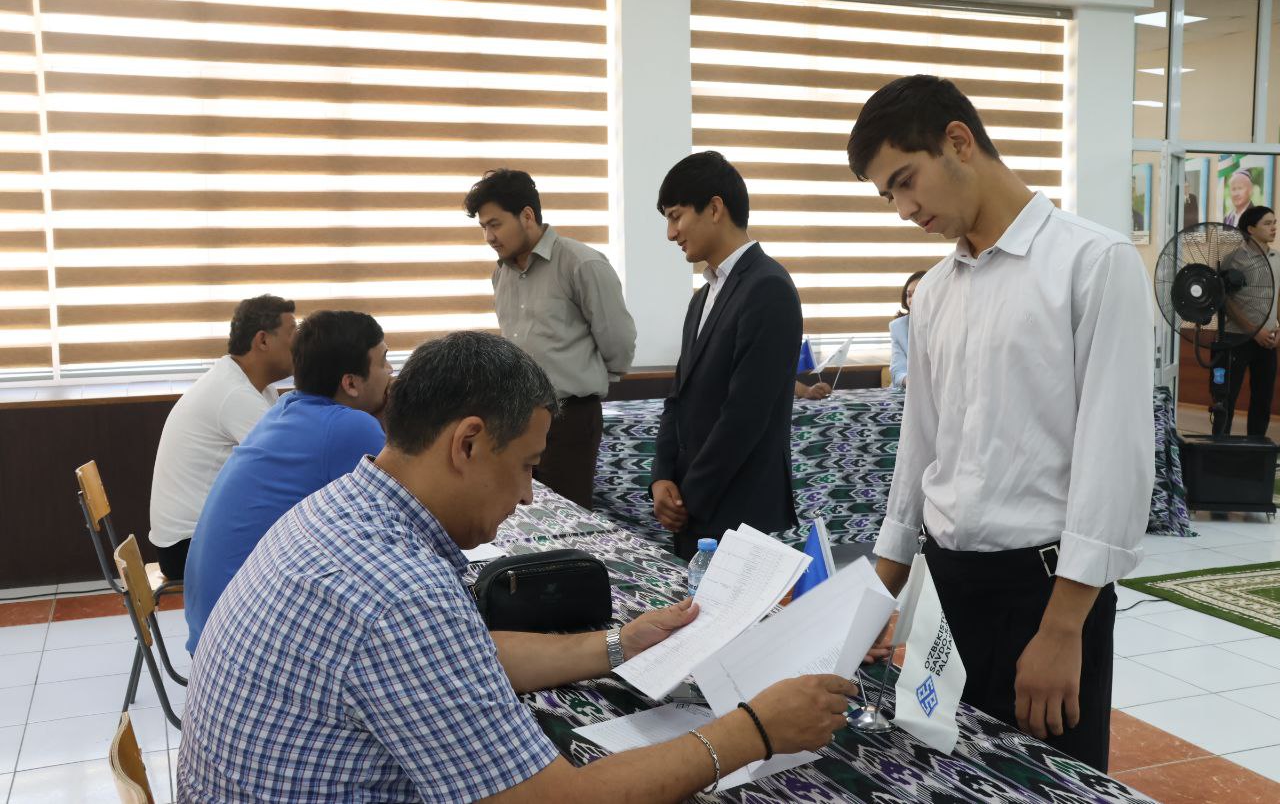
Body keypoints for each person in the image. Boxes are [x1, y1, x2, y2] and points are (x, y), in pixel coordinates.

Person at [177, 331, 856, 802]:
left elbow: (457, 656)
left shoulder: (345, 508)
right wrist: (752, 730)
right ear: (468, 443)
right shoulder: (398, 592)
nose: (530, 495)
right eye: (528, 466)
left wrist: (619, 645)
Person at [849, 75, 1154, 772]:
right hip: (945, 589)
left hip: (1044, 593)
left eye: (905, 181)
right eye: (888, 197)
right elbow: (919, 451)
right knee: (939, 770)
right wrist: (877, 596)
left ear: (958, 141)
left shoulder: (1092, 263)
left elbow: (1114, 457)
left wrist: (1063, 627)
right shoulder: (933, 292)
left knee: (1043, 780)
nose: (904, 209)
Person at [182, 310, 393, 653]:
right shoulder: (349, 427)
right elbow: (411, 513)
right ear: (351, 383)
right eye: (384, 361)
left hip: (212, 631)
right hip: (244, 642)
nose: (391, 372)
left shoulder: (286, 408)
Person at [652, 151, 804, 560]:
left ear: (715, 208)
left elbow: (745, 415)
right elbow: (678, 397)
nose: (671, 233)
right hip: (695, 506)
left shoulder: (768, 287)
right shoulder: (703, 296)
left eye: (676, 216)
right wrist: (662, 478)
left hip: (739, 508)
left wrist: (687, 498)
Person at [466, 169, 637, 509]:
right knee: (523, 517)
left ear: (527, 215)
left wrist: (585, 380)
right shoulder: (501, 274)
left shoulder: (581, 263)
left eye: (495, 224)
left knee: (568, 518)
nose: (489, 236)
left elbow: (619, 342)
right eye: (483, 227)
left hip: (570, 417)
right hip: (518, 416)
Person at [147, 295, 296, 580]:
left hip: (191, 540)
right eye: (293, 334)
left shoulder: (252, 385)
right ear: (263, 340)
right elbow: (287, 465)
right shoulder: (235, 394)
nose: (300, 345)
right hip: (186, 548)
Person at [1214, 205, 1280, 436]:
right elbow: (1224, 300)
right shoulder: (1233, 259)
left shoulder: (1277, 258)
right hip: (1235, 339)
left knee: (1263, 399)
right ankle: (1219, 447)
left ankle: (1256, 448)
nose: (1274, 228)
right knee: (1226, 398)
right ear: (1250, 229)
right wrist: (1253, 331)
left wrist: (1277, 329)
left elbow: (1277, 296)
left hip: (1268, 341)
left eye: (1274, 223)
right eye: (1267, 223)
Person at [888, 271, 926, 389]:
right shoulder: (898, 327)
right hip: (907, 391)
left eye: (918, 293)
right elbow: (898, 371)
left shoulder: (947, 323)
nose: (911, 299)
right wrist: (912, 382)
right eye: (909, 295)